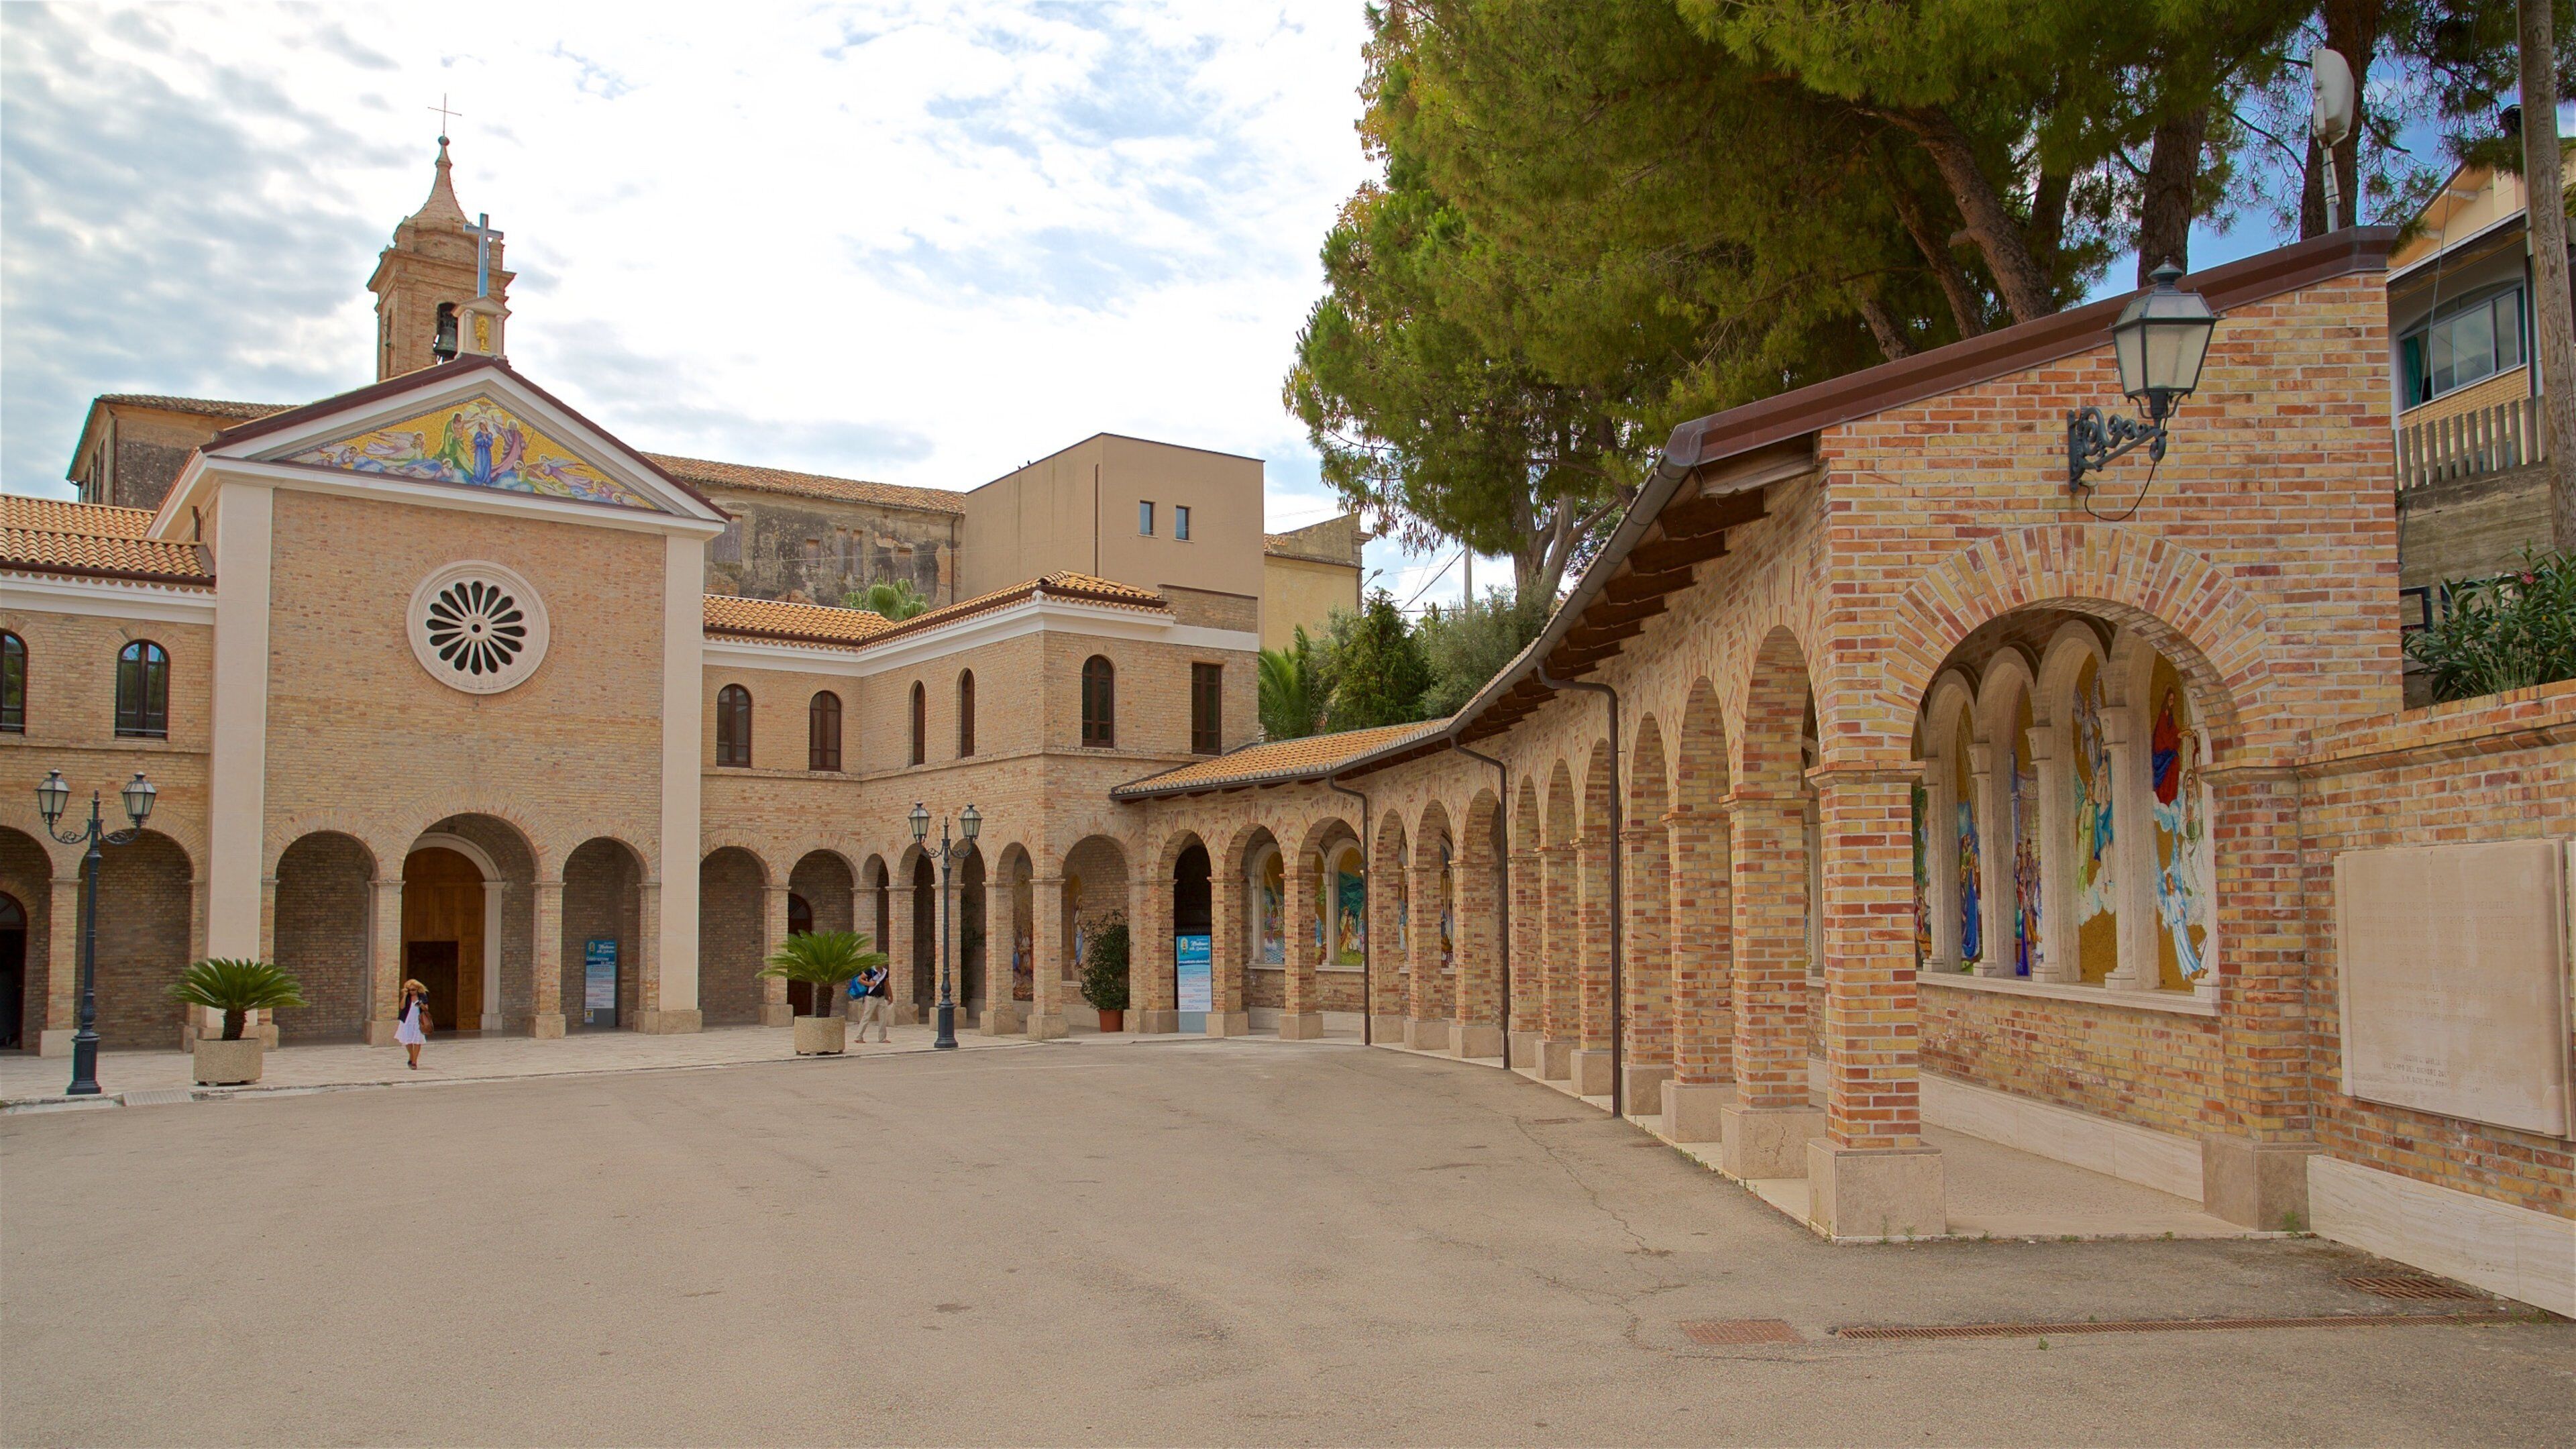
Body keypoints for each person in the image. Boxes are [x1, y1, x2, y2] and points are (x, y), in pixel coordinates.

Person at [849, 960, 891, 1044]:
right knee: (866, 1017)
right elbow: (860, 979)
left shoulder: (885, 972)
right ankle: (859, 1037)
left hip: (881, 997)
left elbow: (887, 984)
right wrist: (869, 984)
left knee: (883, 1018)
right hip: (871, 997)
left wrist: (890, 996)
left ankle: (882, 1038)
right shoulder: (870, 971)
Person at [396, 979, 432, 1069]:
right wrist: (404, 996)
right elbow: (402, 1007)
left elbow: (426, 1008)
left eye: (414, 990)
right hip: (407, 1021)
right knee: (407, 1041)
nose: (412, 992)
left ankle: (414, 1061)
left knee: (417, 1041)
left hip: (418, 1021)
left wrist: (421, 1005)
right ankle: (411, 1056)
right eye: (410, 990)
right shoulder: (407, 996)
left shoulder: (422, 996)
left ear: (418, 989)